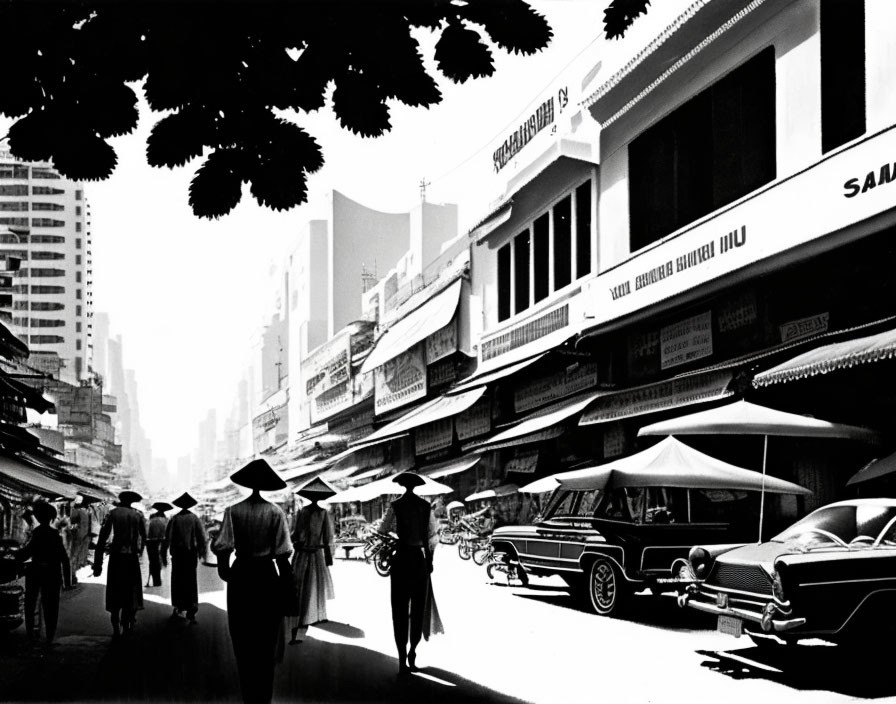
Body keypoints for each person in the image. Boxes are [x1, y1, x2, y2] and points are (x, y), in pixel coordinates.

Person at [212, 459, 292, 704]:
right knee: (266, 640)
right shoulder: (275, 512)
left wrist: (226, 572)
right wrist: (288, 590)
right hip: (267, 576)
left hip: (242, 577)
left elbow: (223, 549)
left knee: (243, 638)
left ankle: (249, 694)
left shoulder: (233, 511)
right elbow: (282, 555)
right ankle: (264, 696)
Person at [380, 471, 442, 677]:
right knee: (418, 609)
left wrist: (395, 536)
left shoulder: (395, 506)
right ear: (416, 486)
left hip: (401, 559)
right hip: (419, 560)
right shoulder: (425, 507)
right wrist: (430, 561)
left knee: (398, 610)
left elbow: (382, 530)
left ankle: (401, 659)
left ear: (402, 486)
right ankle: (412, 652)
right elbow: (432, 538)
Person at [287, 477, 336, 645]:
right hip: (307, 554)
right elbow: (296, 534)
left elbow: (327, 536)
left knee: (310, 588)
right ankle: (301, 622)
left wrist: (328, 555)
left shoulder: (321, 514)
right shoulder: (305, 512)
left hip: (313, 554)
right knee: (304, 587)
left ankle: (305, 619)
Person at [92, 490, 147, 638]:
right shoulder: (138, 515)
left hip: (116, 558)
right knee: (130, 592)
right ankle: (127, 623)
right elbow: (144, 537)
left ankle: (116, 627)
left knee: (115, 592)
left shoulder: (113, 513)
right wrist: (139, 551)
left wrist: (98, 563)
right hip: (131, 558)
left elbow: (102, 538)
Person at [17, 501, 71, 645]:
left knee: (31, 605)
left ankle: (31, 635)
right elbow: (64, 558)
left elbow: (27, 552)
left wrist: (15, 556)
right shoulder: (55, 535)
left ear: (39, 517)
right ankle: (49, 636)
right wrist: (67, 580)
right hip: (52, 574)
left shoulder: (37, 533)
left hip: (36, 572)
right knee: (51, 606)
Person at [164, 492, 207, 623]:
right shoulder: (194, 518)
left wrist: (164, 553)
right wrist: (202, 552)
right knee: (190, 581)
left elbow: (168, 537)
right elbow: (201, 537)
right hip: (190, 554)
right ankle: (191, 609)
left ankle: (178, 606)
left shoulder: (174, 518)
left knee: (177, 580)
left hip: (177, 555)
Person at [146, 502, 171, 588]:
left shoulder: (152, 517)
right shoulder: (166, 519)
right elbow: (167, 533)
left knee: (153, 561)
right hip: (162, 541)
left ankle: (155, 579)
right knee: (159, 560)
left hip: (151, 541)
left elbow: (148, 530)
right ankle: (157, 580)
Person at [68, 496, 91, 584]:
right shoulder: (86, 512)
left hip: (78, 535)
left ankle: (72, 576)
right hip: (84, 535)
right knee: (78, 554)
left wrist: (70, 508)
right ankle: (74, 574)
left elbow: (71, 518)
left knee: (73, 555)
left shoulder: (77, 511)